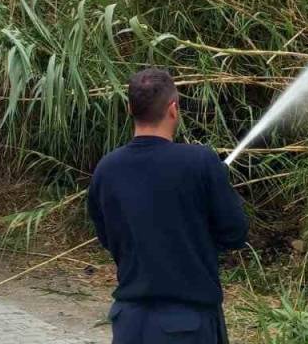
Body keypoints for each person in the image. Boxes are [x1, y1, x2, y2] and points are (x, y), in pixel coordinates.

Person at [87, 68, 249, 344]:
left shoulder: (107, 169)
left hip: (129, 324)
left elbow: (107, 236)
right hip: (187, 327)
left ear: (130, 108)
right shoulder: (200, 162)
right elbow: (235, 233)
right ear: (173, 109)